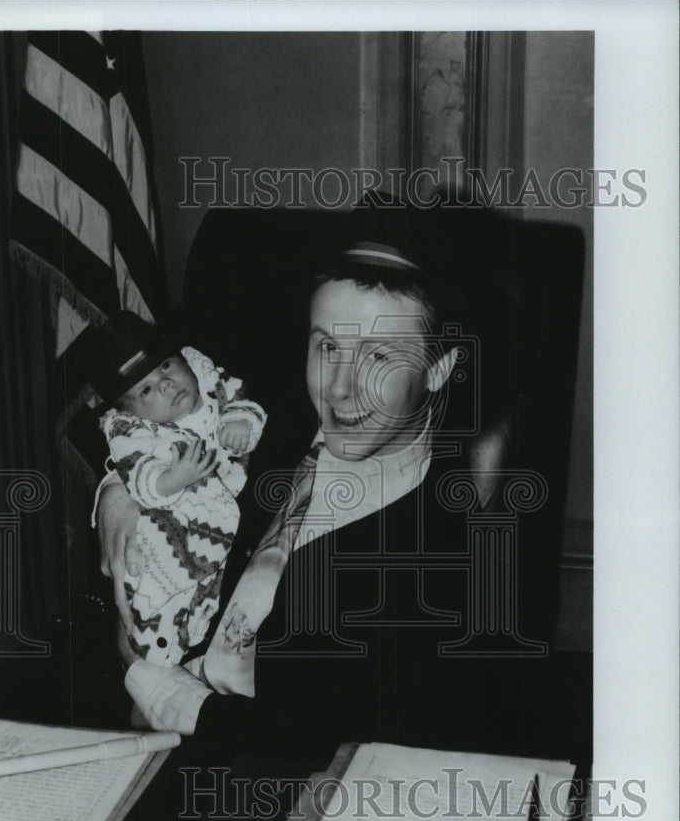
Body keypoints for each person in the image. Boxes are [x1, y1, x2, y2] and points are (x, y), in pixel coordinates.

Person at [97, 241, 538, 760]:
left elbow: (321, 752)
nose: (340, 389)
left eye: (379, 356)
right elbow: (149, 423)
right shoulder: (273, 422)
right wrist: (116, 491)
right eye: (328, 347)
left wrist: (150, 682)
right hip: (141, 691)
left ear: (437, 370)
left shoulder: (441, 565)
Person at [83, 311, 266, 683]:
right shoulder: (135, 432)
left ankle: (185, 637)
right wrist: (169, 480)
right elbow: (136, 473)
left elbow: (247, 401)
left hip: (224, 530)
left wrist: (243, 422)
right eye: (146, 390)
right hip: (173, 518)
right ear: (129, 410)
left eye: (167, 366)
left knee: (204, 585)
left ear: (184, 357)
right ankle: (154, 635)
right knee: (155, 569)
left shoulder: (213, 383)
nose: (166, 385)